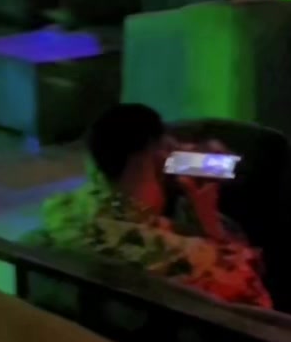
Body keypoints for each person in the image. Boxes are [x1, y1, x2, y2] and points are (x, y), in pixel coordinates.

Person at [39, 104, 273, 308]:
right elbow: (253, 290)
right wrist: (211, 227)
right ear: (157, 157)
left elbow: (234, 169)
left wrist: (182, 156)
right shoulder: (185, 255)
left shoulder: (60, 212)